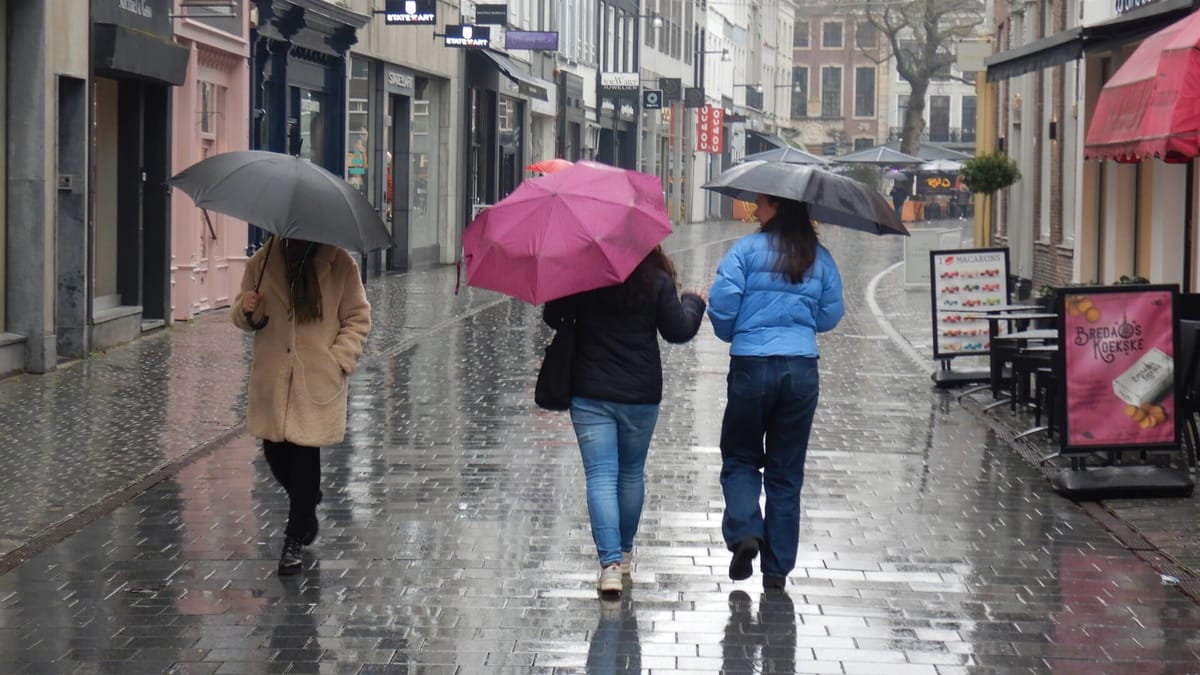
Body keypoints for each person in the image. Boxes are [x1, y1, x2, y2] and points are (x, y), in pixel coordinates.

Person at [543, 246, 706, 597]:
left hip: (590, 392)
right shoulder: (656, 279)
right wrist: (693, 301)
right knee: (631, 472)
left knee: (600, 476)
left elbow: (553, 316)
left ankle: (611, 566)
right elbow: (678, 330)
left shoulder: (581, 274)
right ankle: (626, 553)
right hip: (640, 395)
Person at [706, 193, 844, 591]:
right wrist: (800, 325)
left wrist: (737, 332)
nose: (755, 209)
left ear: (779, 206)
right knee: (786, 472)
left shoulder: (745, 251)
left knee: (740, 456)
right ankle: (777, 569)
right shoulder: (819, 256)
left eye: (762, 203)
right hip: (801, 368)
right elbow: (830, 314)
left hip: (752, 365)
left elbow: (722, 304)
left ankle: (746, 530)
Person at [232, 237, 372, 575]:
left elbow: (358, 317)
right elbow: (242, 316)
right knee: (274, 452)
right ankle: (307, 502)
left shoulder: (338, 262)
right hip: (274, 377)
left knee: (305, 452)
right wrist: (247, 310)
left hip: (316, 376)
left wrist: (339, 359)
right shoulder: (264, 261)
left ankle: (293, 541)